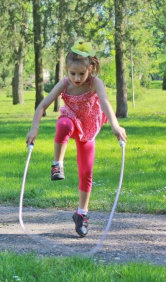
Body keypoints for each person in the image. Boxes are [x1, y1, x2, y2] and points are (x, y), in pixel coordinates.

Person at [26, 38, 127, 237]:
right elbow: (42, 106)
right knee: (62, 124)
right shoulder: (65, 83)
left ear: (91, 68)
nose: (77, 78)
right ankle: (57, 164)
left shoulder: (95, 83)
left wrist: (115, 126)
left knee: (86, 172)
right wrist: (34, 129)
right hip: (72, 120)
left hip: (89, 128)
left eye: (81, 73)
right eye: (72, 73)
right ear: (66, 69)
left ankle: (81, 214)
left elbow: (105, 102)